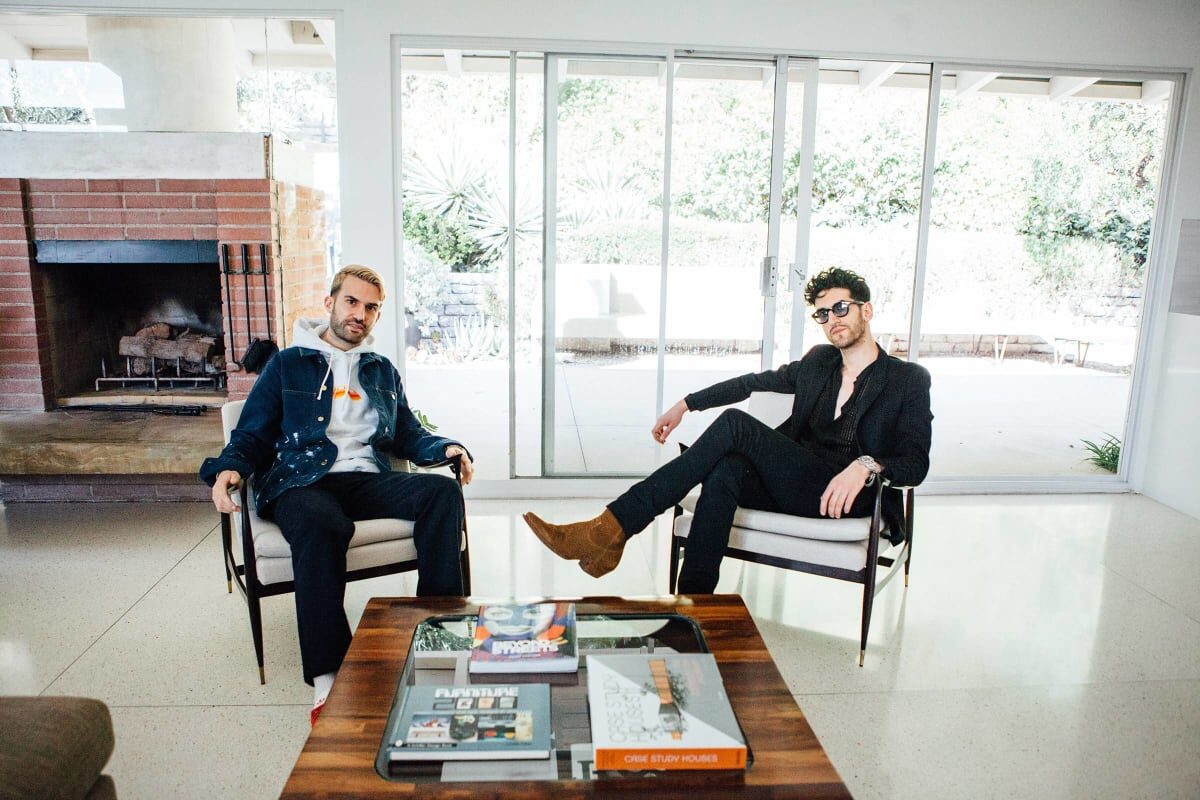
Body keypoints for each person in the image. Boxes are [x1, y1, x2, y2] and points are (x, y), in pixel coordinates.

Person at [524, 267, 932, 593]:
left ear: (866, 310)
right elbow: (751, 383)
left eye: (840, 308)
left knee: (737, 426)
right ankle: (695, 605)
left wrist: (865, 465)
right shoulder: (819, 363)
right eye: (823, 314)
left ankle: (609, 529)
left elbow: (916, 463)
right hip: (797, 482)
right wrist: (686, 404)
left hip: (851, 497)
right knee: (726, 469)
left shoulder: (907, 380)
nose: (832, 320)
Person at [200, 265, 474, 723]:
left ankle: (436, 638)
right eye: (351, 302)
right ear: (330, 303)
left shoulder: (381, 370)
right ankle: (330, 680)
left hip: (364, 479)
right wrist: (228, 468)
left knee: (442, 495)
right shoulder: (287, 364)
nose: (359, 314)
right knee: (323, 522)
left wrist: (446, 447)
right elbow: (251, 432)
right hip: (300, 481)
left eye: (371, 308)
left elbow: (408, 432)